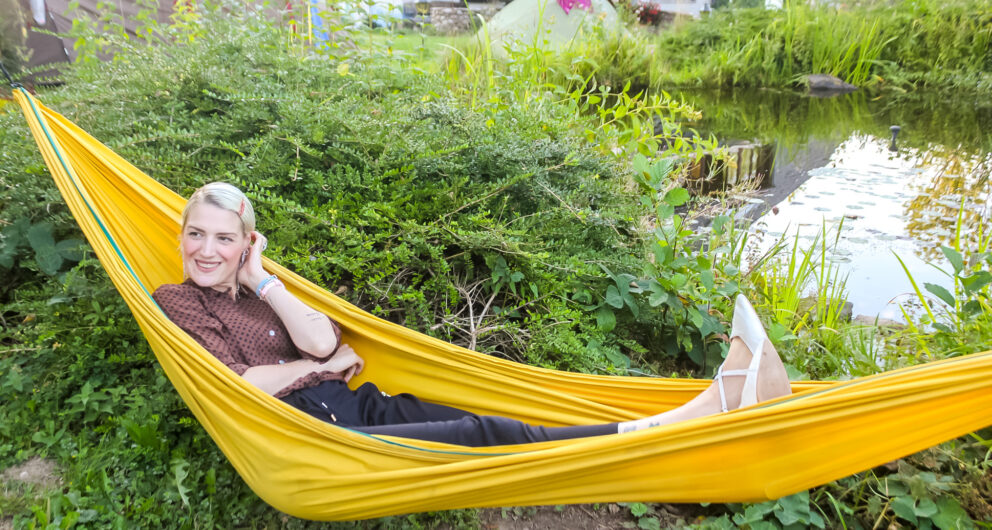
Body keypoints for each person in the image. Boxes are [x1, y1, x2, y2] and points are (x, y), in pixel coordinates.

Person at [153, 182, 791, 447]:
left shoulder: (260, 287)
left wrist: (264, 281)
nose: (207, 250)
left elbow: (321, 344)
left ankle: (697, 410)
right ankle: (694, 418)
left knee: (489, 418)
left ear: (245, 245)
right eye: (196, 235)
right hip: (320, 438)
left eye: (224, 238)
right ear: (180, 238)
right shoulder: (176, 302)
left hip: (361, 404)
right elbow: (240, 385)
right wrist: (315, 365)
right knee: (494, 439)